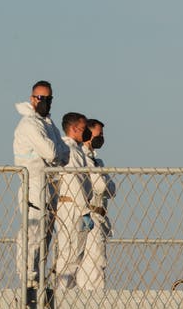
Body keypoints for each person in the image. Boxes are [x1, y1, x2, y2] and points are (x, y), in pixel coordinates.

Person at [13, 80, 70, 287]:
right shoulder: (29, 124)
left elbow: (65, 153)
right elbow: (53, 152)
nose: (44, 102)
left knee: (45, 237)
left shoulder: (48, 124)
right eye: (41, 98)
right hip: (34, 185)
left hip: (51, 184)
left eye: (48, 98)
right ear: (32, 99)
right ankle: (27, 279)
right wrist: (55, 152)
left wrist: (55, 152)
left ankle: (36, 279)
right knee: (33, 233)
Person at [55, 112, 93, 289]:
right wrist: (84, 210)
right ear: (74, 128)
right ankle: (63, 293)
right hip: (73, 205)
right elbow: (74, 181)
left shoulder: (75, 149)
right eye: (84, 129)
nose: (87, 133)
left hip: (71, 204)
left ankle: (65, 290)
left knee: (71, 254)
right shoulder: (70, 149)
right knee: (71, 254)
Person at [80, 119, 116, 290]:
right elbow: (101, 186)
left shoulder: (97, 162)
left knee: (96, 261)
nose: (101, 137)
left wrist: (104, 182)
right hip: (91, 214)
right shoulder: (84, 158)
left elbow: (112, 189)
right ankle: (94, 298)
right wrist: (104, 182)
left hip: (101, 215)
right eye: (99, 134)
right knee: (94, 261)